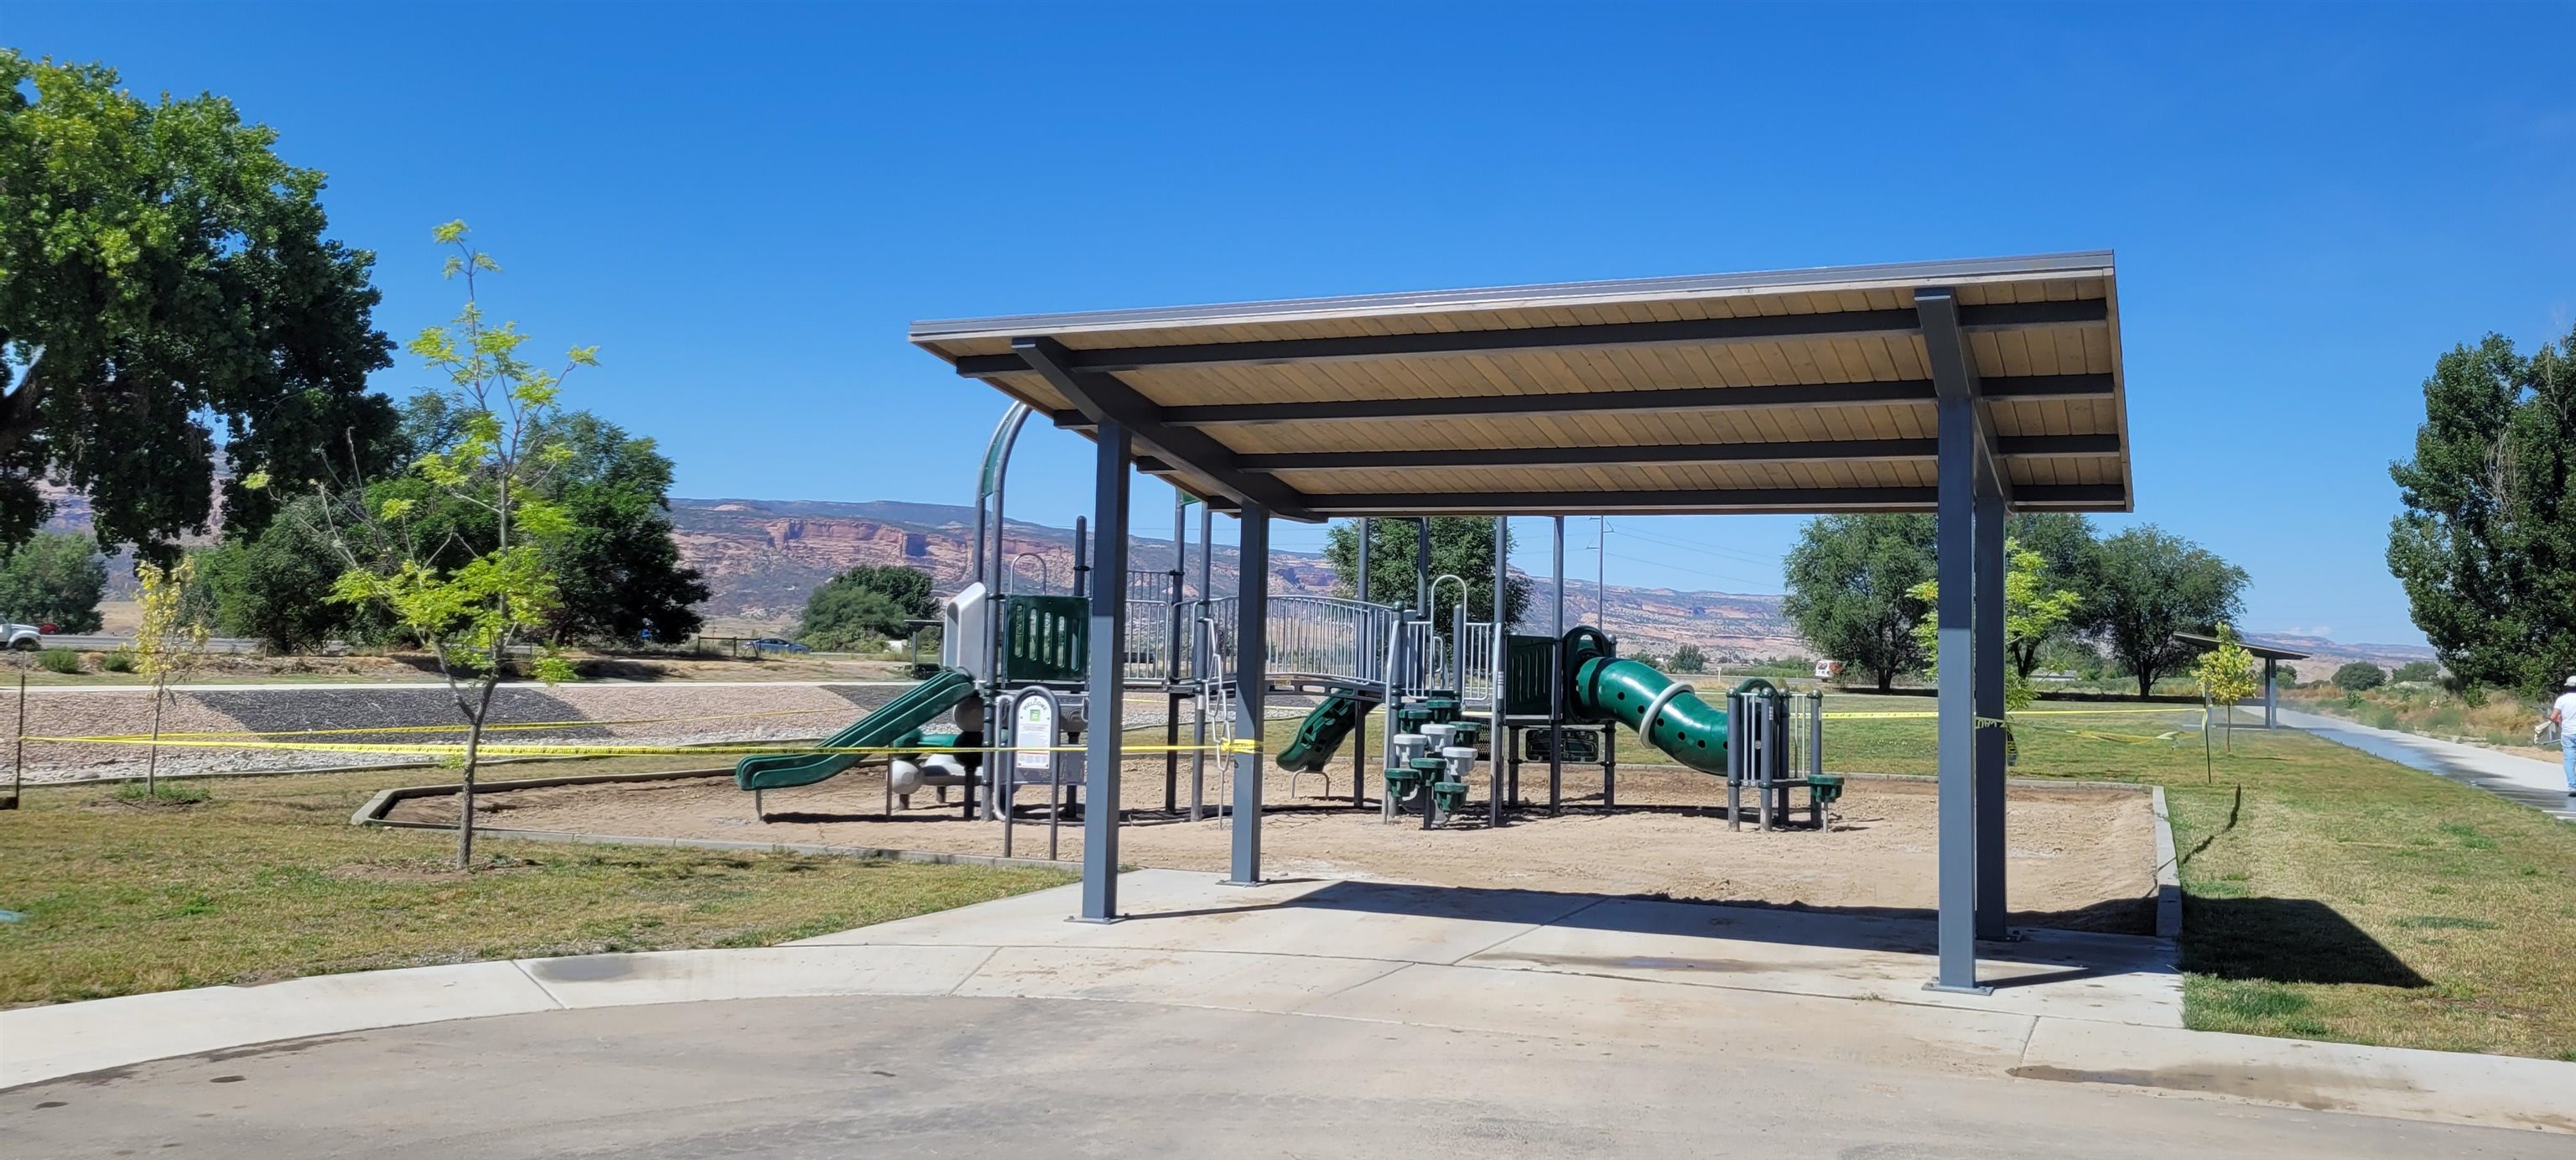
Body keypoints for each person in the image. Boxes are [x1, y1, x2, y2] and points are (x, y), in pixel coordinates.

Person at [2556, 676, 2576, 797]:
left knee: (2569, 760)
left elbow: (2553, 716)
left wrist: (2558, 722)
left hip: (2568, 733)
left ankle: (2573, 786)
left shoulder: (2562, 700)